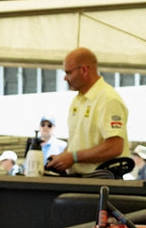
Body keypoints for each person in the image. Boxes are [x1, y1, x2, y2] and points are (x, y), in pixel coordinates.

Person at [46, 47, 129, 175]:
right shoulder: (78, 100)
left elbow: (114, 147)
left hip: (100, 181)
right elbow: (76, 143)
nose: (65, 78)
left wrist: (73, 157)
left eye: (68, 73)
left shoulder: (108, 99)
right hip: (81, 179)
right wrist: (61, 159)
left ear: (84, 70)